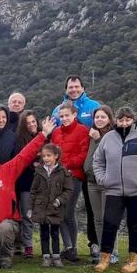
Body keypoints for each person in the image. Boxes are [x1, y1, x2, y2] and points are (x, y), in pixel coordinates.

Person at [0, 116, 54, 269]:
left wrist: (43, 135)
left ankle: (6, 257)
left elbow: (25, 155)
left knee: (5, 228)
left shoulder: (7, 170)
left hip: (7, 225)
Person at [93, 106, 137, 273]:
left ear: (133, 120)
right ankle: (105, 257)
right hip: (114, 189)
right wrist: (103, 179)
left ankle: (133, 259)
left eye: (128, 119)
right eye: (121, 119)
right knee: (110, 223)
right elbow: (98, 161)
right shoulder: (108, 138)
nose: (124, 123)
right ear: (115, 120)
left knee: (134, 224)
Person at [48, 101, 91, 262]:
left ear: (75, 115)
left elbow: (83, 154)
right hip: (57, 176)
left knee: (68, 211)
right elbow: (52, 152)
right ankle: (69, 248)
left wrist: (65, 165)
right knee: (59, 212)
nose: (64, 118)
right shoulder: (56, 132)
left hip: (74, 176)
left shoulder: (82, 131)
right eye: (62, 116)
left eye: (67, 115)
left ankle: (72, 247)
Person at [83, 105, 115, 265]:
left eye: (103, 117)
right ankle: (104, 251)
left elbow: (110, 154)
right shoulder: (91, 134)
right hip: (91, 182)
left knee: (107, 217)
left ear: (109, 118)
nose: (99, 120)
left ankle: (111, 250)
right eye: (97, 117)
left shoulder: (113, 135)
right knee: (97, 219)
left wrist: (98, 139)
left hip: (107, 182)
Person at [30, 143, 70, 268]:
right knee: (44, 233)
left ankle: (57, 256)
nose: (46, 158)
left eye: (49, 156)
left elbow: (68, 190)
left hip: (55, 208)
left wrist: (60, 200)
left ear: (56, 156)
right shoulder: (39, 171)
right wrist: (31, 207)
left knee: (55, 232)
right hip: (41, 208)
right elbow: (33, 190)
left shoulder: (63, 172)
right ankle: (46, 256)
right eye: (44, 156)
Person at [13, 112, 41, 258]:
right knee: (26, 214)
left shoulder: (44, 136)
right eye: (28, 122)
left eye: (33, 121)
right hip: (25, 183)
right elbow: (21, 159)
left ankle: (44, 246)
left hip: (42, 182)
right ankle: (28, 245)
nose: (31, 124)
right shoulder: (19, 140)